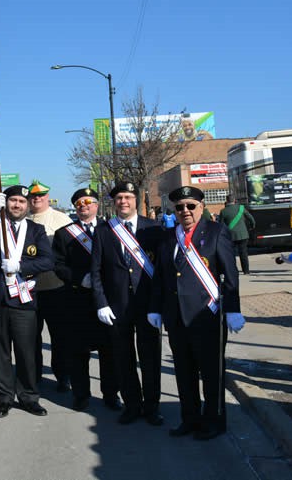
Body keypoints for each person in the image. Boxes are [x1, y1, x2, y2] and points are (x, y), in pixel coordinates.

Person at [148, 185, 243, 441]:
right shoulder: (168, 238)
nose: (185, 211)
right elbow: (161, 277)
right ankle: (189, 419)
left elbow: (230, 275)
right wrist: (156, 308)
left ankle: (214, 422)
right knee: (184, 373)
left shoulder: (216, 232)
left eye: (191, 206)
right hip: (176, 317)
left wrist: (233, 309)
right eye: (180, 207)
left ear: (201, 207)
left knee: (211, 374)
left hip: (207, 316)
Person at [0, 185, 54, 418]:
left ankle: (29, 397)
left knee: (27, 352)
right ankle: (3, 398)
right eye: (13, 200)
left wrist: (21, 266)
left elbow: (48, 261)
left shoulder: (35, 229)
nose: (17, 205)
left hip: (23, 300)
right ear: (5, 203)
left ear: (27, 206)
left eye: (22, 202)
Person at [90, 181, 164, 425]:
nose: (123, 201)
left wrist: (159, 305)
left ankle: (152, 407)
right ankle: (132, 404)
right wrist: (101, 303)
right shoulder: (103, 231)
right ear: (114, 202)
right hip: (117, 306)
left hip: (147, 306)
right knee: (123, 358)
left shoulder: (153, 228)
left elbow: (162, 271)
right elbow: (97, 270)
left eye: (128, 197)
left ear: (136, 200)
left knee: (150, 358)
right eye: (119, 197)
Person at [51, 187, 119, 412]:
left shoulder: (111, 229)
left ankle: (111, 394)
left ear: (97, 205)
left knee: (109, 352)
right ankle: (81, 395)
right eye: (79, 204)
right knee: (78, 352)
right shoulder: (64, 234)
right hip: (78, 299)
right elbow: (58, 265)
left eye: (88, 202)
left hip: (108, 300)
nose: (84, 207)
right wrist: (80, 278)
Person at [25, 179, 74, 392]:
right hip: (28, 289)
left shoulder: (61, 219)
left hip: (55, 287)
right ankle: (32, 375)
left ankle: (63, 375)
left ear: (47, 197)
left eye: (41, 196)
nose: (37, 199)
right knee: (30, 337)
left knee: (60, 336)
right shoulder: (21, 219)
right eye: (33, 196)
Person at [217, 195, 255, 275]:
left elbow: (220, 225)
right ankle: (246, 271)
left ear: (227, 201)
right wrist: (252, 226)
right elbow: (250, 218)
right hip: (243, 234)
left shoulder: (223, 211)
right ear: (234, 200)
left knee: (231, 254)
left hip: (230, 236)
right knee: (243, 253)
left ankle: (233, 270)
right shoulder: (241, 208)